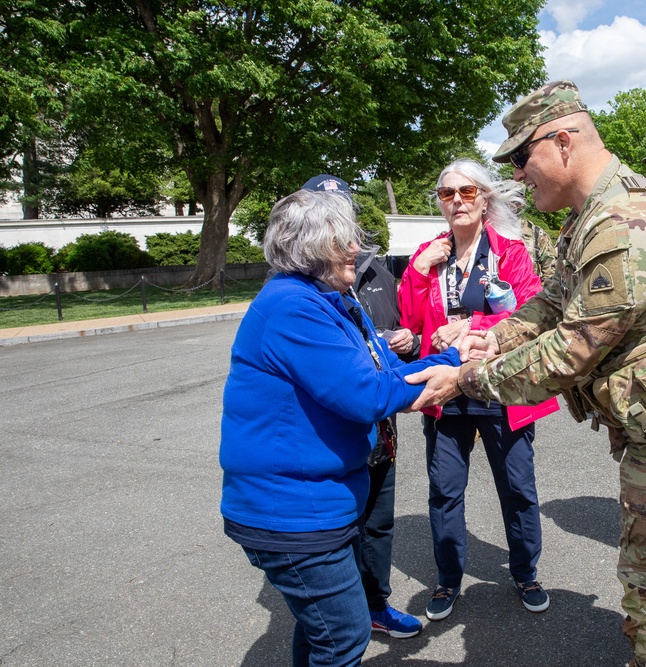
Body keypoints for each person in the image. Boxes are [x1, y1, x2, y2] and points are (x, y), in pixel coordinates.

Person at [407, 81, 646, 667]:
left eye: (522, 157)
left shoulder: (624, 222)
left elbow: (569, 353)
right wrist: (495, 336)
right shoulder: (593, 214)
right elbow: (553, 302)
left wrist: (465, 379)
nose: (518, 175)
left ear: (562, 142)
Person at [219, 188, 461, 666]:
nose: (356, 249)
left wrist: (449, 356)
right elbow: (367, 395)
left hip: (313, 504)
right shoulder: (295, 307)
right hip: (293, 512)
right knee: (344, 635)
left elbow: (379, 366)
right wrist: (454, 367)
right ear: (310, 247)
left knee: (321, 631)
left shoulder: (321, 298)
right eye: (343, 240)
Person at [397, 158, 550, 621]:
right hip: (446, 390)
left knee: (517, 487)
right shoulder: (429, 253)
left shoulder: (510, 251)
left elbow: (530, 311)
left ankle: (525, 572)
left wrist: (472, 325)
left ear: (484, 200)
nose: (458, 201)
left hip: (500, 386)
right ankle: (448, 579)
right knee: (445, 490)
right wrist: (417, 270)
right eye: (448, 193)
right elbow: (410, 321)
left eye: (467, 192)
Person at [297, 174, 425, 640]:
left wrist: (411, 344)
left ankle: (375, 606)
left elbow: (399, 337)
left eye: (345, 215)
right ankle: (343, 614)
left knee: (378, 525)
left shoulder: (374, 271)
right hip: (338, 438)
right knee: (341, 530)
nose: (343, 232)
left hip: (380, 432)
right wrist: (442, 377)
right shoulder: (299, 291)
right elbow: (345, 379)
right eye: (328, 217)